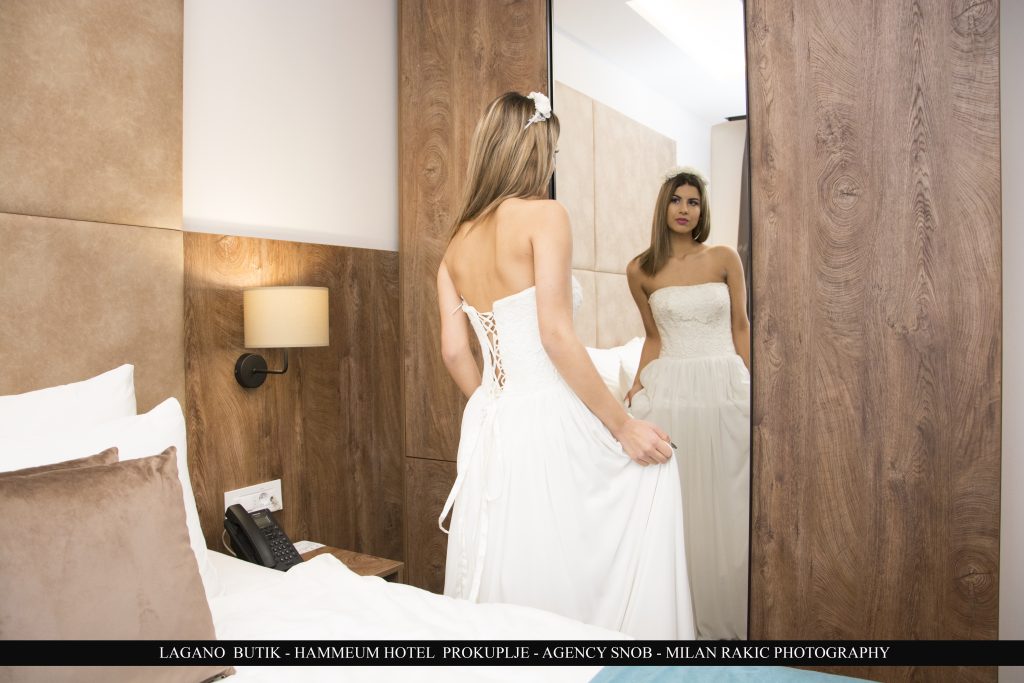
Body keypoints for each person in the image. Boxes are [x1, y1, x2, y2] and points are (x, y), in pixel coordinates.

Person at [435, 91, 694, 640]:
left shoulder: (456, 244)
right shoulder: (545, 216)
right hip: (549, 412)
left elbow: (455, 351)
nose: (553, 163)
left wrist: (495, 406)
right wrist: (622, 426)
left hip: (490, 422)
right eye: (552, 151)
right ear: (533, 151)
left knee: (512, 559)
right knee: (641, 484)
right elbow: (555, 334)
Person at [625, 167, 751, 640]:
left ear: (702, 210)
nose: (684, 209)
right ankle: (678, 617)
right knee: (679, 504)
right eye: (677, 200)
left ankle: (732, 613)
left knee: (730, 502)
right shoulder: (640, 270)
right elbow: (653, 337)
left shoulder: (723, 258)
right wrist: (637, 385)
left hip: (723, 386)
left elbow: (741, 327)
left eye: (693, 202)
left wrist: (754, 382)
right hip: (673, 390)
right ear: (664, 205)